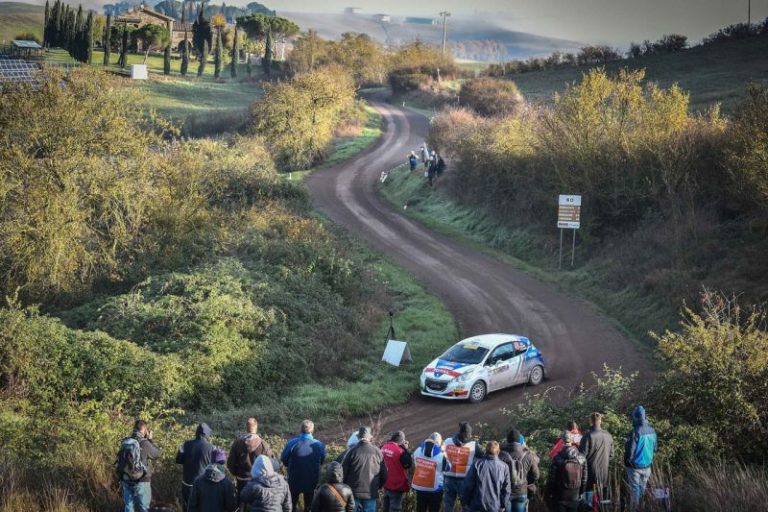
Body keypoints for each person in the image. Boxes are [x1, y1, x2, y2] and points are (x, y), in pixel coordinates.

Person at [228, 418, 276, 505]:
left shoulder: (237, 443)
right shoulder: (263, 444)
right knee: (255, 505)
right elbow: (271, 463)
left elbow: (230, 463)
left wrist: (236, 473)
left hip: (241, 479)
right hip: (258, 481)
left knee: (241, 504)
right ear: (256, 427)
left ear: (246, 427)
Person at [281, 420, 326, 512]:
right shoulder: (318, 444)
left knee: (291, 506)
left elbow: (284, 458)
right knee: (309, 507)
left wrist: (289, 466)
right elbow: (322, 460)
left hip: (294, 479)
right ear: (312, 430)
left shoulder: (292, 443)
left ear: (300, 430)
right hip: (311, 480)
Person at [342, 426, 388, 512]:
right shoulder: (377, 451)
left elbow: (343, 472)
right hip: (371, 492)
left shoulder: (352, 451)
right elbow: (384, 474)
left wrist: (345, 487)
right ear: (370, 438)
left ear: (358, 437)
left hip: (353, 492)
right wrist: (377, 486)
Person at [119, 419, 161, 512]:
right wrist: (150, 439)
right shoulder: (145, 443)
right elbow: (157, 454)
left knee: (128, 507)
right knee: (144, 508)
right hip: (142, 479)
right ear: (145, 430)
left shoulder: (125, 442)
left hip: (126, 478)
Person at [442, 422, 484, 512]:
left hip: (449, 478)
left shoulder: (447, 441)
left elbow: (440, 456)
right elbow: (484, 457)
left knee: (448, 505)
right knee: (466, 505)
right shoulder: (473, 445)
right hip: (465, 480)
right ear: (469, 434)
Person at [460, 441, 511, 512]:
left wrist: (464, 502)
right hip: (494, 507)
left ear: (486, 451)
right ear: (498, 451)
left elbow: (468, 486)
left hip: (477, 506)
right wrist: (503, 505)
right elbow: (506, 490)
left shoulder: (477, 464)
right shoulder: (504, 467)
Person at [177, 423, 218, 509]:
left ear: (196, 432)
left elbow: (178, 460)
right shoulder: (212, 448)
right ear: (207, 434)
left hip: (187, 483)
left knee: (187, 507)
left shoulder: (185, 444)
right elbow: (216, 468)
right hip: (204, 485)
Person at [624, 406, 657, 511]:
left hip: (635, 467)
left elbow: (630, 452)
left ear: (636, 417)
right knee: (642, 489)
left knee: (635, 491)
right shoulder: (652, 431)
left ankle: (636, 509)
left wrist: (626, 444)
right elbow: (655, 448)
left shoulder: (634, 432)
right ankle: (642, 508)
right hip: (647, 466)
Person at [498, 429, 539, 512]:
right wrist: (527, 482)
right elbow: (536, 475)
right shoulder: (528, 455)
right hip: (521, 491)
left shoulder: (501, 454)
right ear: (519, 440)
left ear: (508, 440)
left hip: (506, 493)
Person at [547, 431, 587, 512]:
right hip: (575, 494)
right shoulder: (581, 458)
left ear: (562, 440)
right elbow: (584, 479)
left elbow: (552, 478)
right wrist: (581, 492)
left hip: (560, 495)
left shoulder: (557, 458)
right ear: (572, 441)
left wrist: (550, 492)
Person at [579, 413, 613, 508]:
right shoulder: (608, 435)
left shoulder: (587, 436)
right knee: (602, 499)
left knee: (588, 502)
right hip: (604, 472)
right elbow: (611, 455)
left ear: (590, 421)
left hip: (590, 471)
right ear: (600, 421)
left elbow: (581, 456)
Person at [411, 433, 445, 512]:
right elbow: (448, 468)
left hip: (420, 486)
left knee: (420, 509)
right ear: (439, 443)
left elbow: (415, 462)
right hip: (436, 489)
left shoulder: (418, 450)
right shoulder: (441, 456)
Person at [381, 431, 413, 512]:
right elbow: (408, 464)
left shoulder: (384, 447)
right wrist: (405, 449)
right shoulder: (400, 451)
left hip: (385, 482)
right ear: (402, 441)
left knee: (386, 507)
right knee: (395, 508)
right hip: (396, 485)